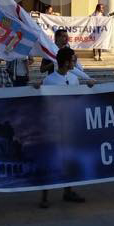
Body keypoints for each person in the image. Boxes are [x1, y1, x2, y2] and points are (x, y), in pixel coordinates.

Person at [39, 48, 87, 206]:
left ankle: (68, 190)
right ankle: (44, 196)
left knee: (69, 158)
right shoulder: (50, 80)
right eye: (73, 60)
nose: (75, 62)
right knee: (50, 159)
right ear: (66, 62)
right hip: (54, 125)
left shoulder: (74, 79)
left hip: (69, 125)